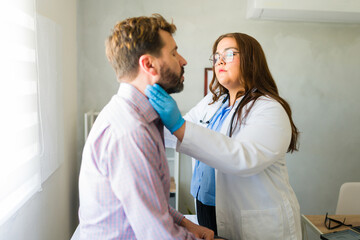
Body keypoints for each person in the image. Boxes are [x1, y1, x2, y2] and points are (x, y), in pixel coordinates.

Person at [146, 32, 302, 239]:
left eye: (229, 54)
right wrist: (146, 120)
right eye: (216, 56)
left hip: (253, 221)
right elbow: (177, 134)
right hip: (206, 208)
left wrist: (178, 125)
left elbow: (242, 159)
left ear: (251, 59)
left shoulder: (269, 109)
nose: (219, 60)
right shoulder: (213, 102)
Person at [78, 14, 215, 239]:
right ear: (148, 64)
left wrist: (188, 225)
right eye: (173, 52)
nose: (183, 60)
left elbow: (153, 201)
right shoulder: (130, 132)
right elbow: (159, 234)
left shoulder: (142, 118)